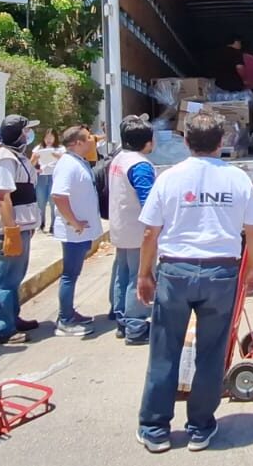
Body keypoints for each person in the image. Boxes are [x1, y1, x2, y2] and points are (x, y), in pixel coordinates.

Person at [136, 112, 253, 453]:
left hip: (175, 272)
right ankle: (200, 427)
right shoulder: (237, 180)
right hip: (221, 273)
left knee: (165, 350)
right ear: (222, 143)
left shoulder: (169, 178)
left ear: (186, 142)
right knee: (210, 353)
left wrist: (144, 273)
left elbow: (151, 231)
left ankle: (155, 429)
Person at [0, 114, 41, 345]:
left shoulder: (17, 157)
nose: (28, 134)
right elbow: (3, 196)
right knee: (5, 278)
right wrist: (10, 231)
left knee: (15, 276)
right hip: (12, 227)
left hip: (23, 226)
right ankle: (3, 328)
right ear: (18, 134)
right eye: (26, 130)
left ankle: (12, 316)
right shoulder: (4, 159)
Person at [50, 125, 104, 337]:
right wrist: (74, 222)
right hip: (74, 232)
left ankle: (69, 312)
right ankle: (65, 320)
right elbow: (58, 196)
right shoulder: (67, 165)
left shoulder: (77, 161)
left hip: (81, 231)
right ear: (78, 143)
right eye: (89, 137)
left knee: (74, 273)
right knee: (70, 275)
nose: (94, 139)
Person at [107, 114, 156, 344]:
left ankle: (122, 320)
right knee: (139, 276)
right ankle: (136, 327)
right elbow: (148, 202)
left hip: (120, 227)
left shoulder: (119, 159)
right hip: (138, 231)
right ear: (147, 142)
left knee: (123, 274)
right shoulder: (140, 165)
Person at [31, 128, 63, 231]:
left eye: (51, 137)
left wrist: (57, 156)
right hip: (42, 176)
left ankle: (53, 225)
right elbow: (31, 164)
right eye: (46, 138)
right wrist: (36, 161)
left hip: (54, 176)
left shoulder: (60, 148)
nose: (48, 140)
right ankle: (41, 223)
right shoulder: (38, 148)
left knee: (53, 201)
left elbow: (65, 161)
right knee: (41, 201)